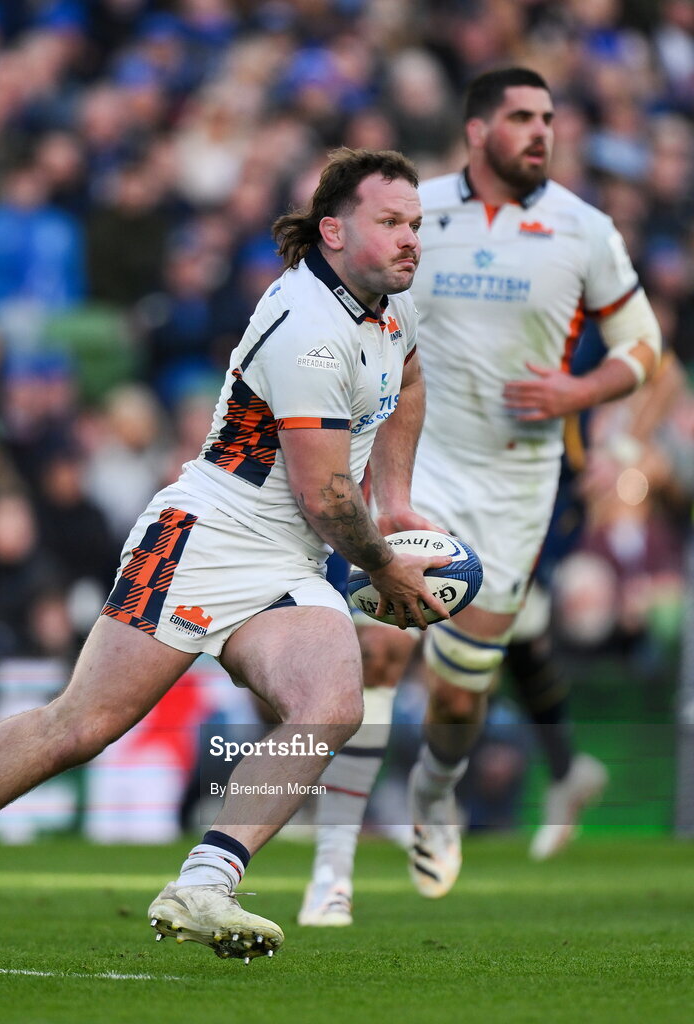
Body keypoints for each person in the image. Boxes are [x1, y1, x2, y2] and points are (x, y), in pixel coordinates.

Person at [0, 147, 453, 968]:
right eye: (391, 222)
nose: (412, 239)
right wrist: (385, 564)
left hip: (290, 557)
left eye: (416, 223)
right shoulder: (306, 326)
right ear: (333, 231)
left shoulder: (389, 309)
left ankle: (206, 880)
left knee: (329, 705)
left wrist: (399, 506)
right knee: (78, 726)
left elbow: (406, 379)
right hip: (204, 539)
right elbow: (328, 498)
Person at [299, 67, 662, 926]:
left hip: (519, 485)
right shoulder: (415, 216)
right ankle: (332, 871)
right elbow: (351, 311)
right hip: (418, 471)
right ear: (476, 130)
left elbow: (644, 344)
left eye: (549, 117)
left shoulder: (583, 228)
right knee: (375, 656)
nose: (541, 132)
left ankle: (436, 789)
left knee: (461, 694)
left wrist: (582, 394)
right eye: (522, 118)